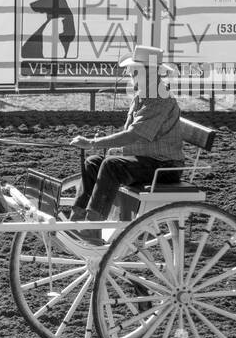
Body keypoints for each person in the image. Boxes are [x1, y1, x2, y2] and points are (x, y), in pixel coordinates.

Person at [68, 45, 185, 243]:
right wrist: (99, 145)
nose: (129, 74)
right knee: (93, 162)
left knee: (111, 165)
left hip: (165, 166)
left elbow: (133, 135)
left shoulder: (159, 100)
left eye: (133, 71)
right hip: (147, 160)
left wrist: (92, 142)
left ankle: (93, 227)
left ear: (150, 72)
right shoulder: (144, 95)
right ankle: (77, 219)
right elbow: (132, 136)